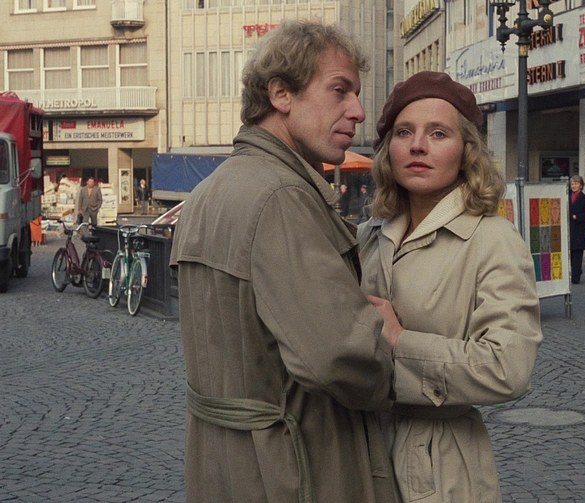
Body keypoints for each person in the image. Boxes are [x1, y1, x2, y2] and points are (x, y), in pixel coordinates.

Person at [169, 21, 401, 503]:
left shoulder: (210, 190)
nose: (358, 111)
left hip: (226, 467)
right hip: (295, 470)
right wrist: (389, 347)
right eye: (339, 90)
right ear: (281, 94)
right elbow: (339, 357)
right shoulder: (280, 196)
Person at [358, 71, 543, 503]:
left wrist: (400, 342)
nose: (418, 145)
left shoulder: (493, 240)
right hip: (360, 449)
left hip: (441, 466)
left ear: (466, 152)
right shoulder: (368, 235)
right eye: (404, 132)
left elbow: (508, 368)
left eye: (438, 133)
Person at [569, 174, 585, 284]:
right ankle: (575, 272)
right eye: (572, 184)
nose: (574, 186)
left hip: (579, 231)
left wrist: (577, 217)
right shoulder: (567, 197)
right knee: (569, 255)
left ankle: (576, 277)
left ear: (581, 185)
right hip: (569, 230)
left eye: (576, 183)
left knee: (577, 255)